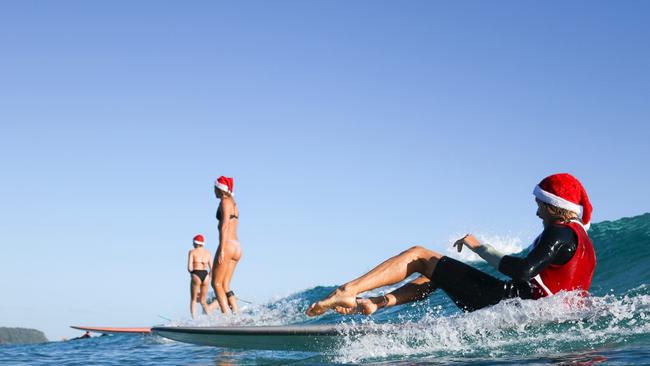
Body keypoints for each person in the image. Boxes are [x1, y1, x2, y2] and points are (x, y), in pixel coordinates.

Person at [306, 173, 596, 316]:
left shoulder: (558, 231)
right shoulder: (584, 241)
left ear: (552, 205)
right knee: (437, 273)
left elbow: (522, 270)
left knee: (420, 255)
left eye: (540, 205)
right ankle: (377, 303)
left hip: (508, 302)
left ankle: (348, 291)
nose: (537, 212)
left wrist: (478, 246)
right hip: (540, 309)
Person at [209, 176, 243, 314]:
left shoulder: (225, 201)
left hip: (227, 245)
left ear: (219, 188)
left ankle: (226, 317)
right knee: (225, 285)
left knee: (216, 283)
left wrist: (222, 249)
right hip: (237, 246)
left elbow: (224, 226)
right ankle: (236, 313)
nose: (213, 191)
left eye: (214, 188)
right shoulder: (234, 203)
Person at [188, 234, 213, 318]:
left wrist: (192, 275)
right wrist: (209, 277)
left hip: (196, 274)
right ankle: (211, 319)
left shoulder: (192, 252)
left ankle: (194, 320)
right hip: (205, 275)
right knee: (203, 301)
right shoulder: (208, 253)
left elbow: (189, 268)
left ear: (195, 243)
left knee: (194, 299)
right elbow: (212, 268)